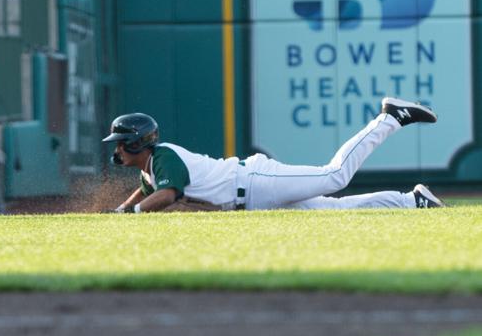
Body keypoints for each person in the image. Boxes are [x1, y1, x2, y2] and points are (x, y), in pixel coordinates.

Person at [103, 98, 446, 214]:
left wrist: (132, 213)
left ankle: (390, 118)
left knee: (335, 175)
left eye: (121, 142)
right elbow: (148, 191)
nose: (116, 149)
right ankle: (412, 201)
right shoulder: (151, 168)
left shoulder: (163, 157)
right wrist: (122, 211)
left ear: (137, 142)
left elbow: (167, 194)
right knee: (334, 210)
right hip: (251, 198)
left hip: (255, 183)